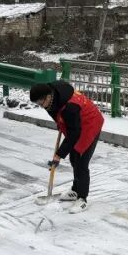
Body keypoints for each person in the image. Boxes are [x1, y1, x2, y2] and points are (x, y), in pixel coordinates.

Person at [30, 81, 105, 214]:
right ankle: (75, 190)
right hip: (76, 123)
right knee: (73, 159)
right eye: (38, 104)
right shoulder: (52, 95)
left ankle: (82, 198)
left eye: (41, 103)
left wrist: (58, 155)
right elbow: (57, 114)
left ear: (48, 96)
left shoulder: (70, 107)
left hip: (90, 124)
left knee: (81, 162)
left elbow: (73, 134)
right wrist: (60, 122)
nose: (41, 106)